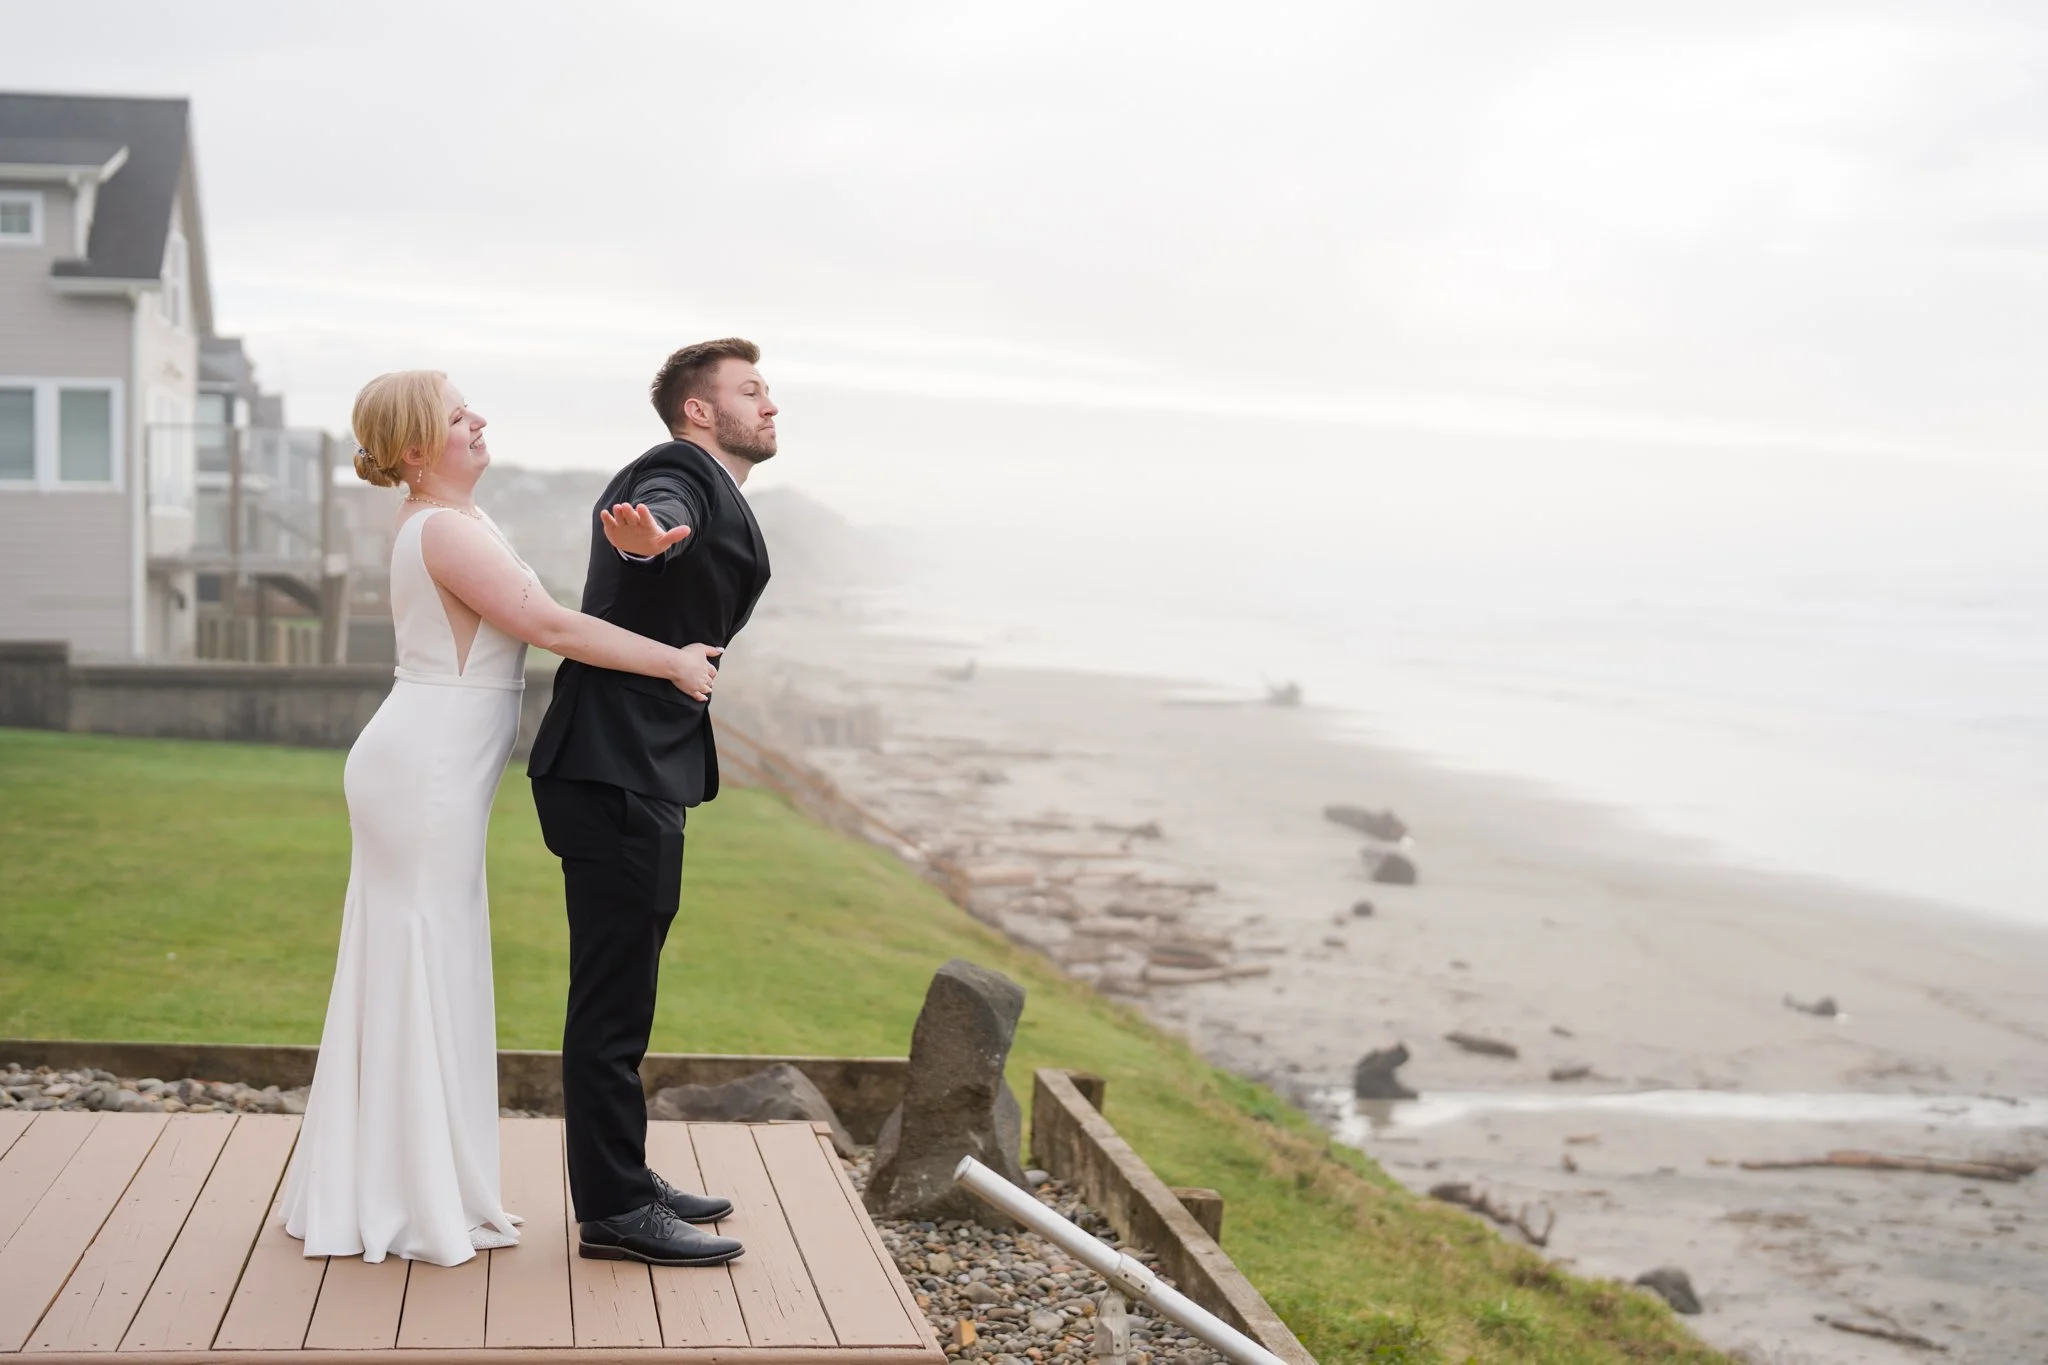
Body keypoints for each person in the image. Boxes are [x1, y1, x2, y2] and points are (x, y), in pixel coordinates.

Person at [282, 370, 723, 1267]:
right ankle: (403, 1195)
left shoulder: (456, 520)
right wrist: (672, 661)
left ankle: (408, 1178)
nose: (477, 419)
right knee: (418, 961)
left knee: (426, 961)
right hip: (425, 769)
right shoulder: (442, 526)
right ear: (414, 449)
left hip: (432, 765)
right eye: (455, 416)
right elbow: (546, 623)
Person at [528, 338, 775, 1267]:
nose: (771, 404)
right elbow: (657, 517)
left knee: (626, 991)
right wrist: (650, 535)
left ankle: (622, 1175)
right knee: (611, 1003)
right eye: (751, 390)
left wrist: (658, 543)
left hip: (637, 768)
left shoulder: (717, 490)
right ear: (699, 411)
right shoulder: (674, 471)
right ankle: (614, 1211)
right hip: (611, 767)